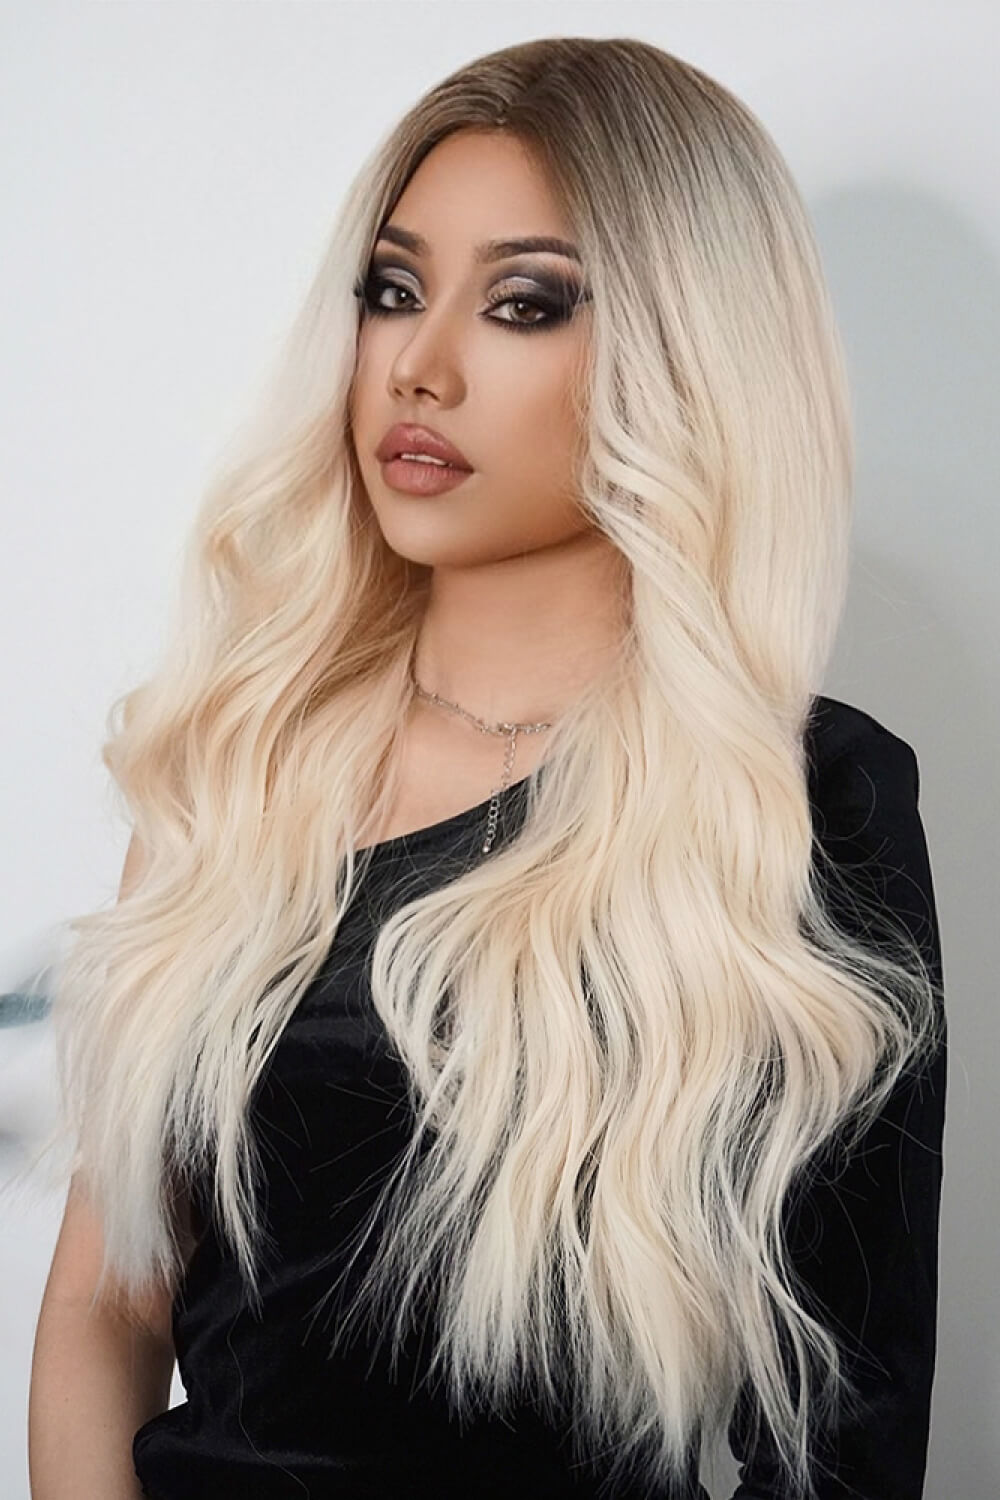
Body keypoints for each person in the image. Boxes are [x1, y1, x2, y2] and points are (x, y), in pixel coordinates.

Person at [27, 35, 946, 1500]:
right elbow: (105, 1304)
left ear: (684, 352)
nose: (420, 365)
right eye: (393, 290)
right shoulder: (247, 763)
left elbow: (844, 1420)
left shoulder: (798, 804)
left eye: (524, 304)